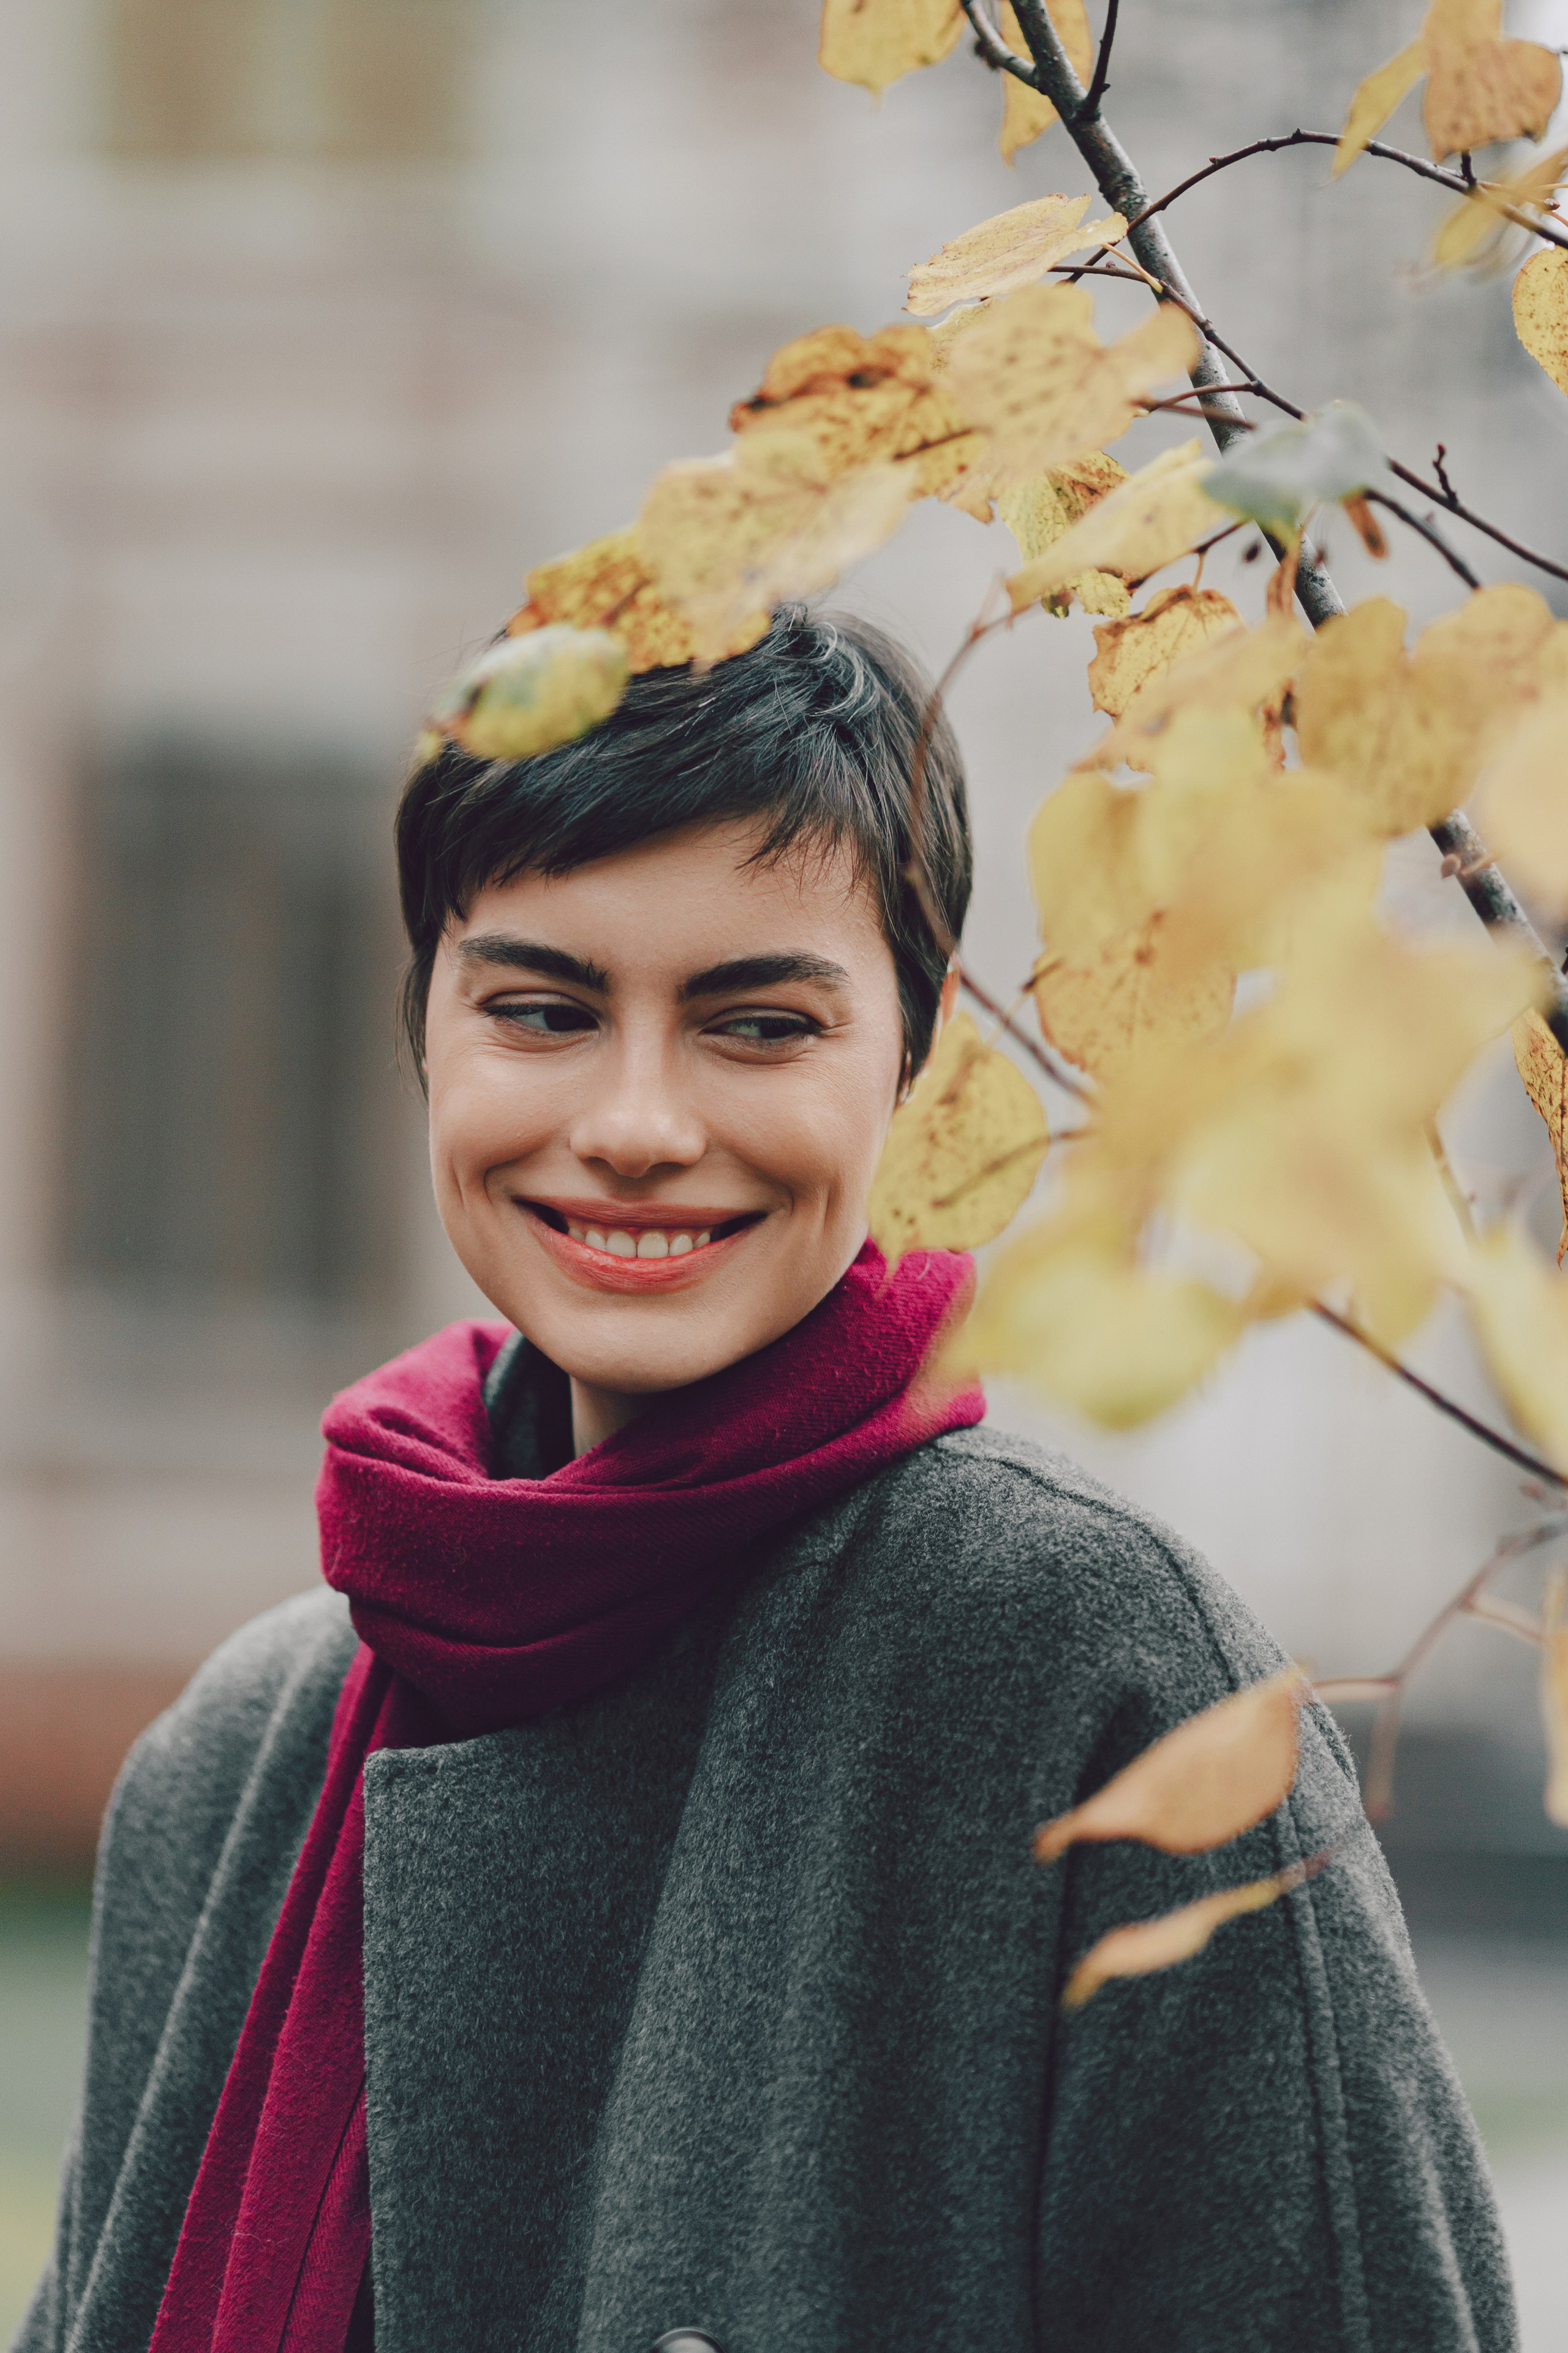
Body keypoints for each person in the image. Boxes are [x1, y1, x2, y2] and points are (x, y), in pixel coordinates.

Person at [18, 608, 1514, 2353]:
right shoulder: (236, 1760)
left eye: (756, 1024)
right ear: (425, 1018)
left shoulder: (1104, 1679)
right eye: (543, 1007)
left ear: (917, 1047)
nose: (640, 1120)